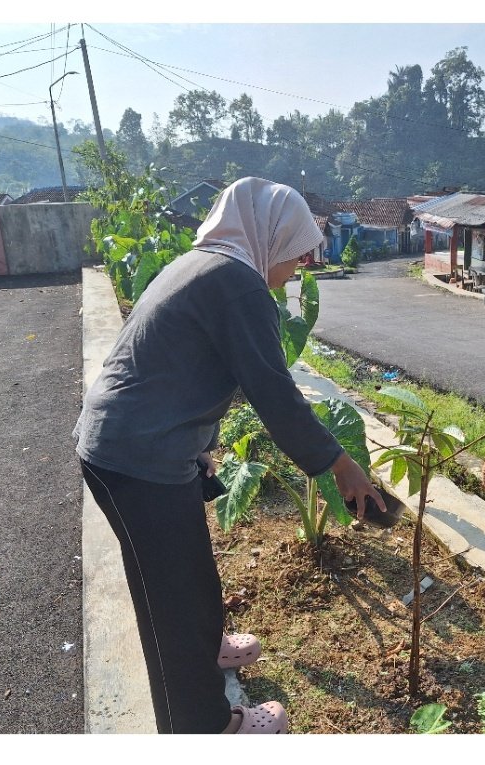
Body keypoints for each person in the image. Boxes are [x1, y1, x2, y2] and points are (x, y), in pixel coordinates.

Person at [73, 176, 386, 735]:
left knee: (187, 567)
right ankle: (204, 727)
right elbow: (274, 395)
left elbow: (181, 370)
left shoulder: (204, 264)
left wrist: (197, 452)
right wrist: (341, 465)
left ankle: (209, 646)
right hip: (134, 459)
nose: (298, 269)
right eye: (294, 254)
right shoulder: (237, 283)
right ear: (269, 237)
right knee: (167, 601)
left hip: (146, 449)